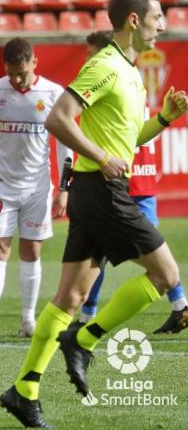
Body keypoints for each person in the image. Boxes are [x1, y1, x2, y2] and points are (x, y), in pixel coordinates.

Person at [0, 0, 188, 427]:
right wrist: (103, 159)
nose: (164, 25)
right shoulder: (104, 65)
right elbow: (58, 118)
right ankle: (83, 340)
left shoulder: (129, 70)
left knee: (70, 296)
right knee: (166, 276)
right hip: (102, 189)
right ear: (136, 20)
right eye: (158, 17)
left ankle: (25, 389)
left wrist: (163, 119)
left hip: (92, 188)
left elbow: (126, 138)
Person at [79, 30, 188, 333]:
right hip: (136, 179)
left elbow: (129, 135)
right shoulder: (132, 79)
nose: (86, 58)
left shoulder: (112, 79)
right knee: (134, 251)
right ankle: (180, 304)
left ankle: (88, 319)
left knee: (107, 251)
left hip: (125, 181)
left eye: (90, 52)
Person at [0, 38, 72, 341]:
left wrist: (64, 188)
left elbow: (65, 143)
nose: (17, 79)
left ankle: (28, 320)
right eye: (12, 73)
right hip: (1, 186)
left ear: (34, 63)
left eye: (22, 73)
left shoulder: (53, 93)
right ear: (5, 67)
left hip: (38, 187)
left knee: (31, 249)